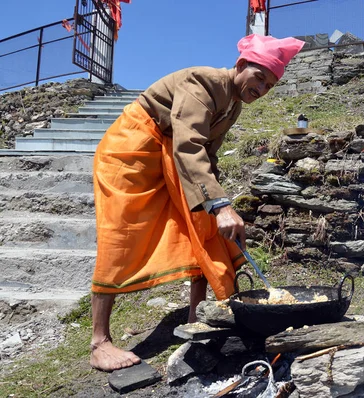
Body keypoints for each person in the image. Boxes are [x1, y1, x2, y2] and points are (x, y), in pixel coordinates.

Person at [89, 34, 305, 372]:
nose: (262, 88)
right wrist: (220, 204)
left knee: (201, 226)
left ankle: (197, 317)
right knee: (121, 237)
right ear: (241, 65)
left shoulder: (233, 104)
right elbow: (189, 146)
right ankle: (99, 342)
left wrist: (217, 204)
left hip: (171, 158)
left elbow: (206, 153)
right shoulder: (202, 82)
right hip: (130, 153)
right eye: (259, 77)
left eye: (270, 85)